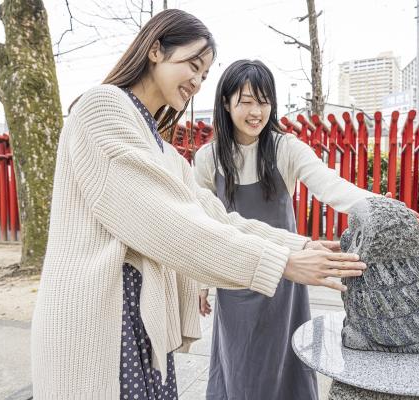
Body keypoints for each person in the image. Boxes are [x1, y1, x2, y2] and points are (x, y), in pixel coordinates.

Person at [31, 11, 366, 400]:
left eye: (205, 74)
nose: (197, 80)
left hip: (138, 326)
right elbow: (167, 223)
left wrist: (299, 246)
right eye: (193, 64)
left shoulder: (163, 149)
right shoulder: (102, 108)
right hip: (99, 323)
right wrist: (282, 262)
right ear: (155, 49)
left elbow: (216, 215)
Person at [193, 59, 381, 400]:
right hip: (234, 275)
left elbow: (330, 186)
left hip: (286, 274)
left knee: (285, 361)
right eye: (246, 100)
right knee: (239, 362)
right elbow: (202, 224)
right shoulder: (208, 158)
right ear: (226, 102)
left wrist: (381, 206)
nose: (256, 111)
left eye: (263, 101)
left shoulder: (285, 149)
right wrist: (202, 282)